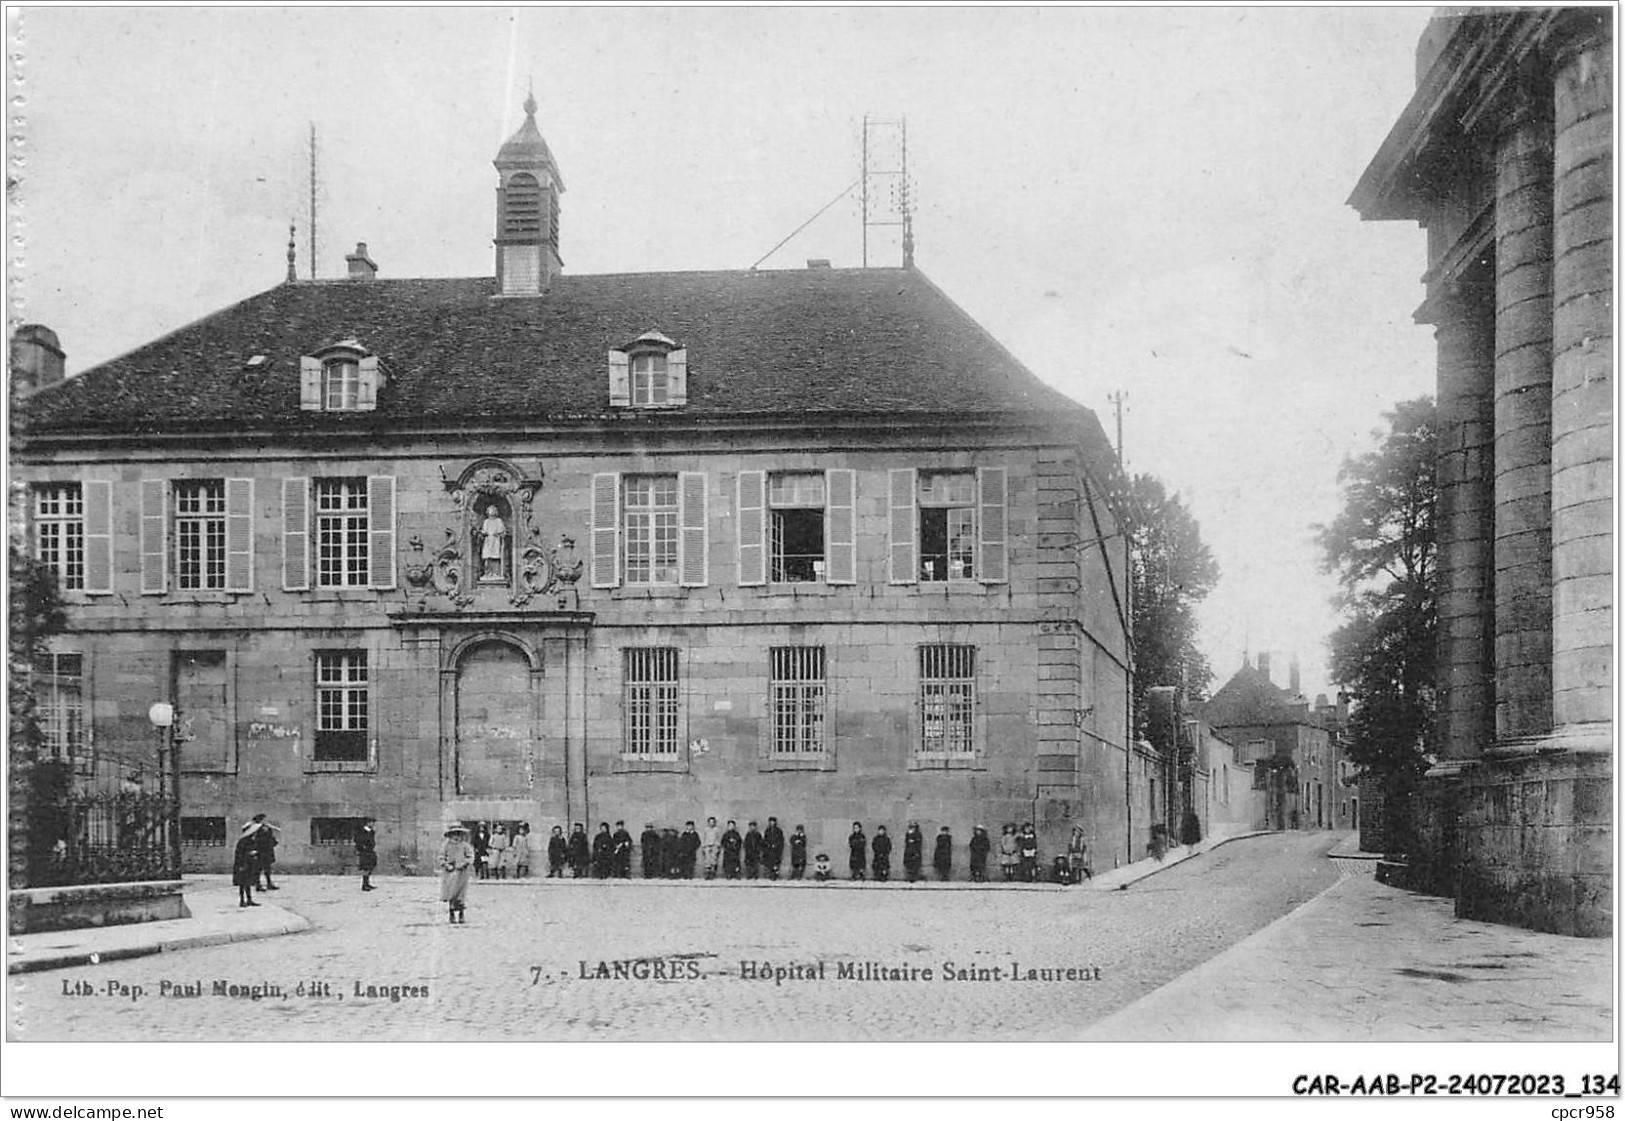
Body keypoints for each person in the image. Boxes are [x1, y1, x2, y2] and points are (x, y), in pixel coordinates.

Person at [440, 824, 475, 924]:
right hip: (450, 873)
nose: (456, 837)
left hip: (462, 873)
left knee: (461, 895)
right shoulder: (446, 846)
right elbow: (441, 857)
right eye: (454, 834)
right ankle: (451, 914)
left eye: (458, 834)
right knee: (451, 894)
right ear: (450, 835)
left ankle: (461, 914)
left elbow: (470, 856)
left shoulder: (465, 845)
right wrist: (446, 865)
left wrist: (464, 863)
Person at [232, 821, 260, 907]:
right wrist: (242, 864)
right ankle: (242, 900)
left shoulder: (250, 840)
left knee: (248, 882)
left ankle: (249, 899)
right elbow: (240, 854)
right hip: (243, 864)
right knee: (242, 883)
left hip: (249, 864)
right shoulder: (242, 841)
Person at [251, 814, 279, 891]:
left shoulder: (268, 828)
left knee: (268, 868)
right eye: (264, 819)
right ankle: (258, 884)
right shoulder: (256, 829)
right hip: (260, 851)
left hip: (267, 851)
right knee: (258, 869)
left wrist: (274, 842)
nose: (265, 821)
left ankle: (269, 883)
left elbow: (271, 838)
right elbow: (255, 840)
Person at [479, 506, 506, 579]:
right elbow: (484, 531)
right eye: (490, 510)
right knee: (487, 558)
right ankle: (487, 573)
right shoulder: (486, 521)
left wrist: (500, 534)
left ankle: (495, 573)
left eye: (493, 510)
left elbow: (502, 531)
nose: (492, 511)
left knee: (495, 557)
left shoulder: (498, 521)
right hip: (487, 541)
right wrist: (482, 533)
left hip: (495, 540)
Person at [355, 817, 378, 892]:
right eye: (371, 822)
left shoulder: (371, 832)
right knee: (366, 868)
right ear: (367, 823)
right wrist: (362, 848)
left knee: (371, 867)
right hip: (365, 852)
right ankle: (364, 885)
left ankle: (367, 883)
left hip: (370, 851)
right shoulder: (362, 831)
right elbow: (358, 841)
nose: (373, 824)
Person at [701, 816, 721, 880]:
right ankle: (707, 873)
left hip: (714, 845)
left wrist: (718, 846)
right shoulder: (705, 829)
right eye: (710, 822)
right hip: (707, 846)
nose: (711, 823)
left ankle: (712, 873)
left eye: (713, 822)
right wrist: (703, 846)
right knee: (707, 860)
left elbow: (718, 838)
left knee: (713, 860)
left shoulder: (717, 830)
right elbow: (703, 838)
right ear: (708, 823)